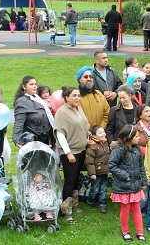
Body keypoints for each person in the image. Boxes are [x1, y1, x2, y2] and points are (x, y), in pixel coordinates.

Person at [54, 86, 90, 223]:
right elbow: (60, 133)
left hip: (81, 150)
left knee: (76, 179)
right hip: (70, 152)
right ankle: (66, 210)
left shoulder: (79, 109)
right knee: (69, 181)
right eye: (74, 95)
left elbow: (83, 126)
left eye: (78, 95)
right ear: (66, 97)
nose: (77, 98)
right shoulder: (62, 112)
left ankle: (74, 205)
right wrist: (68, 153)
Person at [108, 124, 147, 242]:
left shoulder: (137, 149)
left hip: (136, 186)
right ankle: (125, 231)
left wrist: (143, 180)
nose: (138, 138)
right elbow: (111, 166)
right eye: (136, 136)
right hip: (123, 186)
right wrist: (125, 175)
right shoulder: (118, 150)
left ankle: (140, 232)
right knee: (125, 209)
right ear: (129, 137)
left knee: (136, 209)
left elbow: (141, 166)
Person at [12, 75, 55, 147]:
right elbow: (19, 123)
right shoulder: (22, 101)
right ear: (24, 87)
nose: (35, 86)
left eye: (35, 84)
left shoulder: (38, 98)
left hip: (47, 139)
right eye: (31, 84)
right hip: (33, 141)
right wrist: (16, 139)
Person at [85, 125, 111, 214]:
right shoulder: (91, 147)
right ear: (94, 136)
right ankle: (90, 200)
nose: (103, 133)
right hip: (96, 172)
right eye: (100, 133)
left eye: (103, 131)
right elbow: (89, 162)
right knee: (95, 189)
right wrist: (92, 173)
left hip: (104, 171)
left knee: (103, 188)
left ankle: (102, 204)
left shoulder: (106, 143)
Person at [76, 66, 110, 130]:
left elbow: (107, 114)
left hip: (99, 135)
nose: (89, 79)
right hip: (83, 135)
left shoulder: (99, 95)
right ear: (79, 80)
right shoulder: (75, 97)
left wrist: (99, 129)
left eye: (90, 76)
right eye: (85, 77)